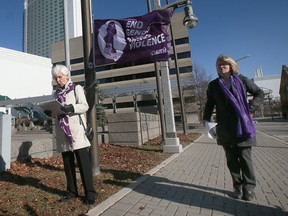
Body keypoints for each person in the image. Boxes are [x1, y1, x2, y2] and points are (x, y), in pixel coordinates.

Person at [203, 55, 264, 201]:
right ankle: (238, 186)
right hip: (225, 127)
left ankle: (249, 187)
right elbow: (209, 104)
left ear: (231, 66)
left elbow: (259, 93)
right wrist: (206, 121)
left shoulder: (242, 80)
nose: (221, 66)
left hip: (243, 126)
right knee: (231, 159)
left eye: (224, 64)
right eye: (218, 64)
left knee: (244, 158)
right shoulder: (213, 85)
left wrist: (250, 109)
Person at [46, 64, 96, 204]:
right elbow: (56, 111)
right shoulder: (56, 93)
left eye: (59, 77)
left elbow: (85, 106)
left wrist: (71, 107)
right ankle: (72, 191)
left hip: (77, 132)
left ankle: (90, 193)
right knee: (68, 164)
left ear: (67, 76)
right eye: (55, 78)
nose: (57, 80)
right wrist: (49, 112)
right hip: (63, 133)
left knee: (83, 164)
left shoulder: (76, 88)